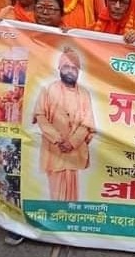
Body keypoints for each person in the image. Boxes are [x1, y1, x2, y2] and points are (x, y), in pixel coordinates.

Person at [33, 47, 95, 201]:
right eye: (66, 67)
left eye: (74, 68)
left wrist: (72, 143)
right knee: (56, 191)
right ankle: (57, 219)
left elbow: (87, 123)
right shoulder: (48, 89)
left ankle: (68, 219)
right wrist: (58, 139)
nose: (70, 71)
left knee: (72, 191)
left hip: (74, 151)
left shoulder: (85, 93)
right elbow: (40, 116)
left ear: (79, 71)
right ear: (59, 68)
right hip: (54, 149)